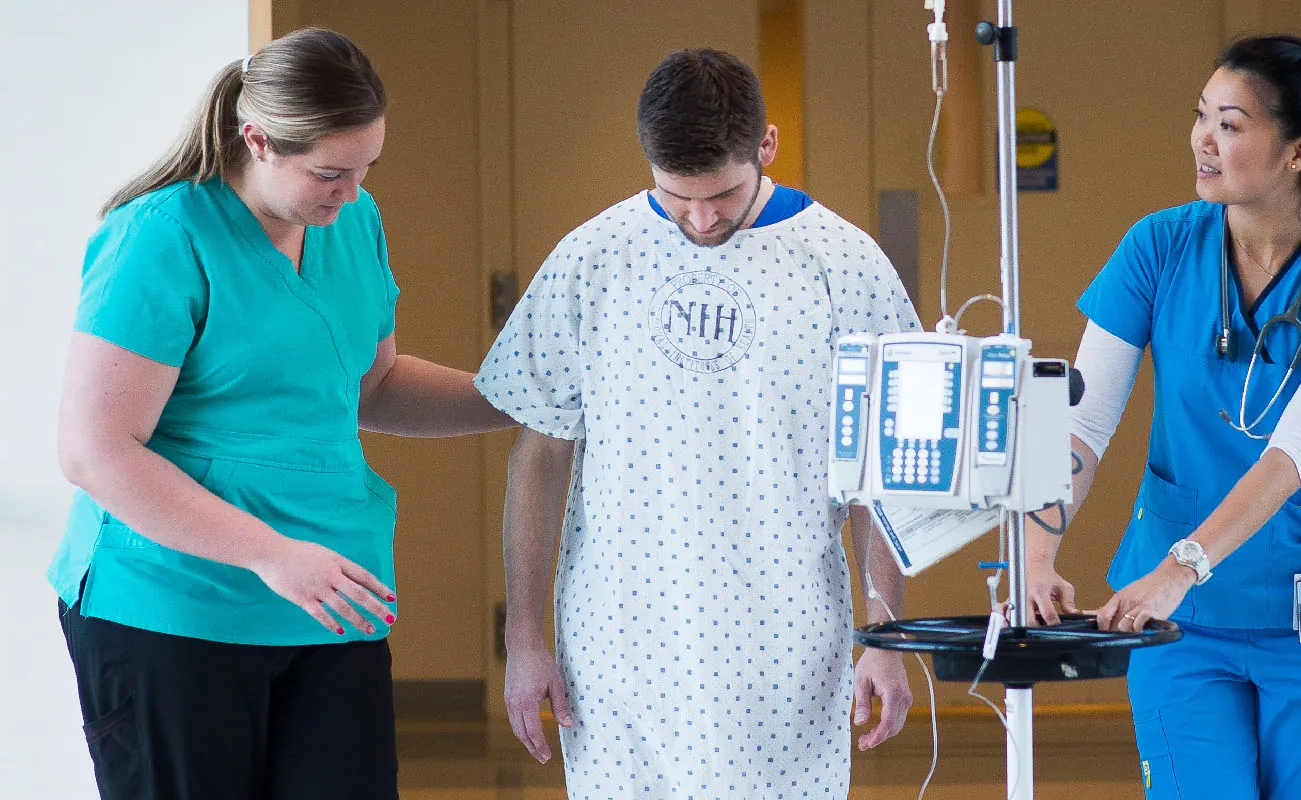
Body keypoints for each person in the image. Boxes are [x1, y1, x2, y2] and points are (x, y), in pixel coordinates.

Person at [51, 28, 516, 799]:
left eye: (368, 168)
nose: (353, 192)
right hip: (173, 604)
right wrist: (271, 553)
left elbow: (374, 387)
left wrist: (523, 401)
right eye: (331, 172)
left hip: (330, 597)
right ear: (257, 139)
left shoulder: (351, 224)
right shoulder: (161, 237)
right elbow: (96, 452)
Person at [476, 48, 918, 798]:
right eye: (677, 197)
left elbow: (877, 468)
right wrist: (523, 640)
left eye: (721, 194)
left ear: (766, 147)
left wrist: (881, 638)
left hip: (786, 640)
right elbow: (538, 454)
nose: (702, 219)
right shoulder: (591, 259)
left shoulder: (844, 263)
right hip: (618, 641)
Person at [1022, 35, 1301, 799]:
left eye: (1230, 125)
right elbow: (1082, 420)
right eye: (1201, 116)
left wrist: (1178, 569)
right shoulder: (1157, 246)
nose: (1202, 138)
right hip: (1178, 626)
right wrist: (1037, 547)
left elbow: (1290, 454)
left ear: (1298, 152)